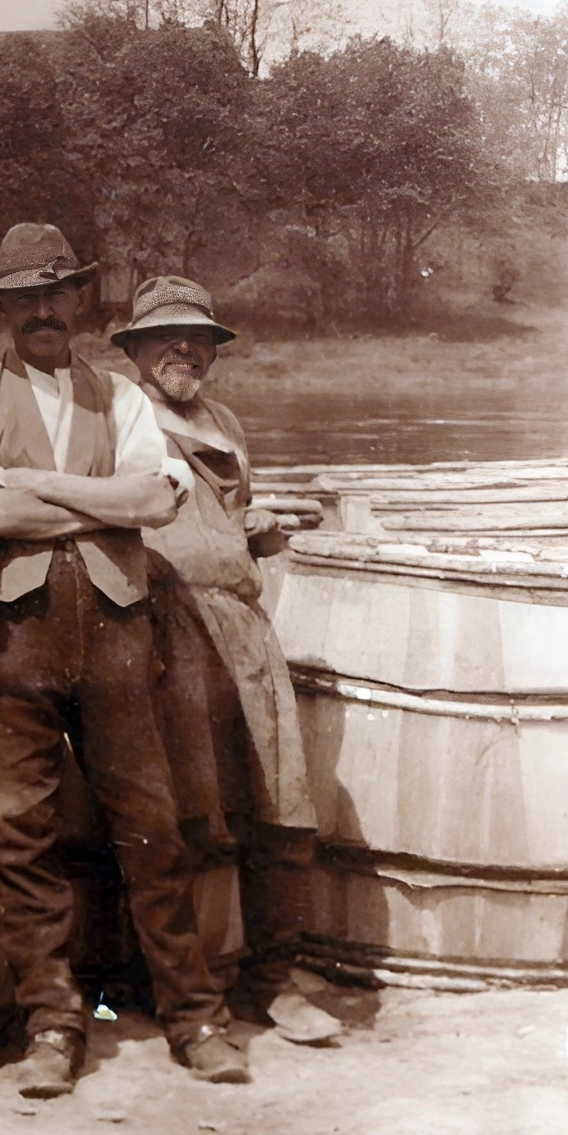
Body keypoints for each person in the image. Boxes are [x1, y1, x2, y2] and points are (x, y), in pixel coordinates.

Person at [0, 225, 247, 1095]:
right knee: (16, 831)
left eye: (58, 292)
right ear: (1, 306)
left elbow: (153, 500)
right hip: (8, 635)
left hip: (117, 631)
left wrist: (36, 484)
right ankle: (51, 1022)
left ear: (81, 300)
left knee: (152, 825)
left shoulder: (118, 395)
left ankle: (193, 1014)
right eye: (24, 297)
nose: (43, 310)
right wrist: (96, 504)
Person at [112, 276, 340, 1048]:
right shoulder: (117, 412)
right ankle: (163, 982)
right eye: (166, 337)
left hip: (243, 626)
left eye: (199, 338)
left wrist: (260, 524)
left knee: (283, 807)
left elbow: (228, 519)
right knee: (178, 814)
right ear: (135, 349)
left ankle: (271, 981)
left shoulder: (227, 420)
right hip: (162, 625)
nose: (185, 350)